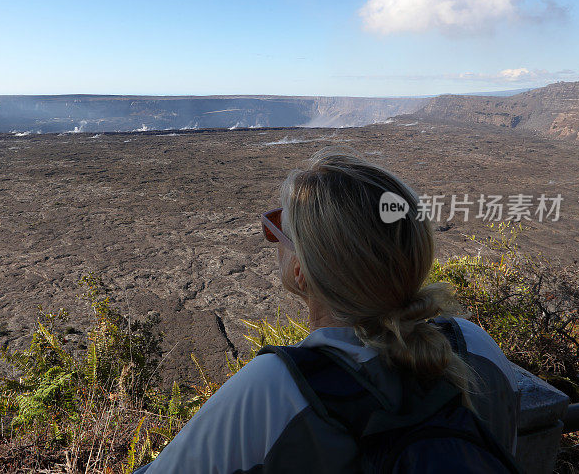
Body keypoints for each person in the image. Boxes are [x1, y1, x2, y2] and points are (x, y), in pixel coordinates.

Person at [137, 148, 520, 473]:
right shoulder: (473, 346)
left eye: (278, 229)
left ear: (302, 270)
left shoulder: (277, 388)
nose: (272, 238)